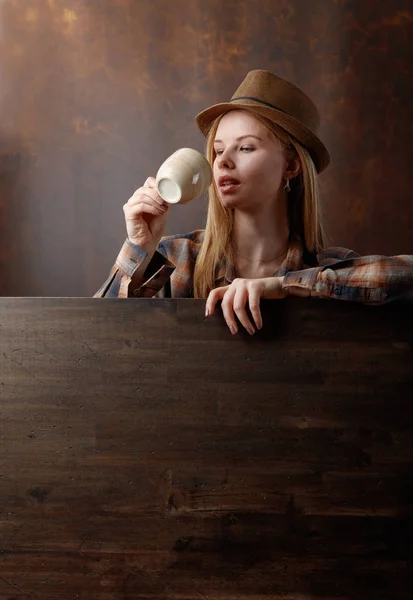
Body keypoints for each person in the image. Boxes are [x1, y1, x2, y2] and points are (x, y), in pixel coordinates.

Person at [95, 69, 413, 335]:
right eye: (218, 151)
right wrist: (137, 248)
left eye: (245, 148)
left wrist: (284, 287)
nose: (223, 162)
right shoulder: (177, 258)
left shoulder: (328, 268)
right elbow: (93, 338)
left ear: (290, 166)